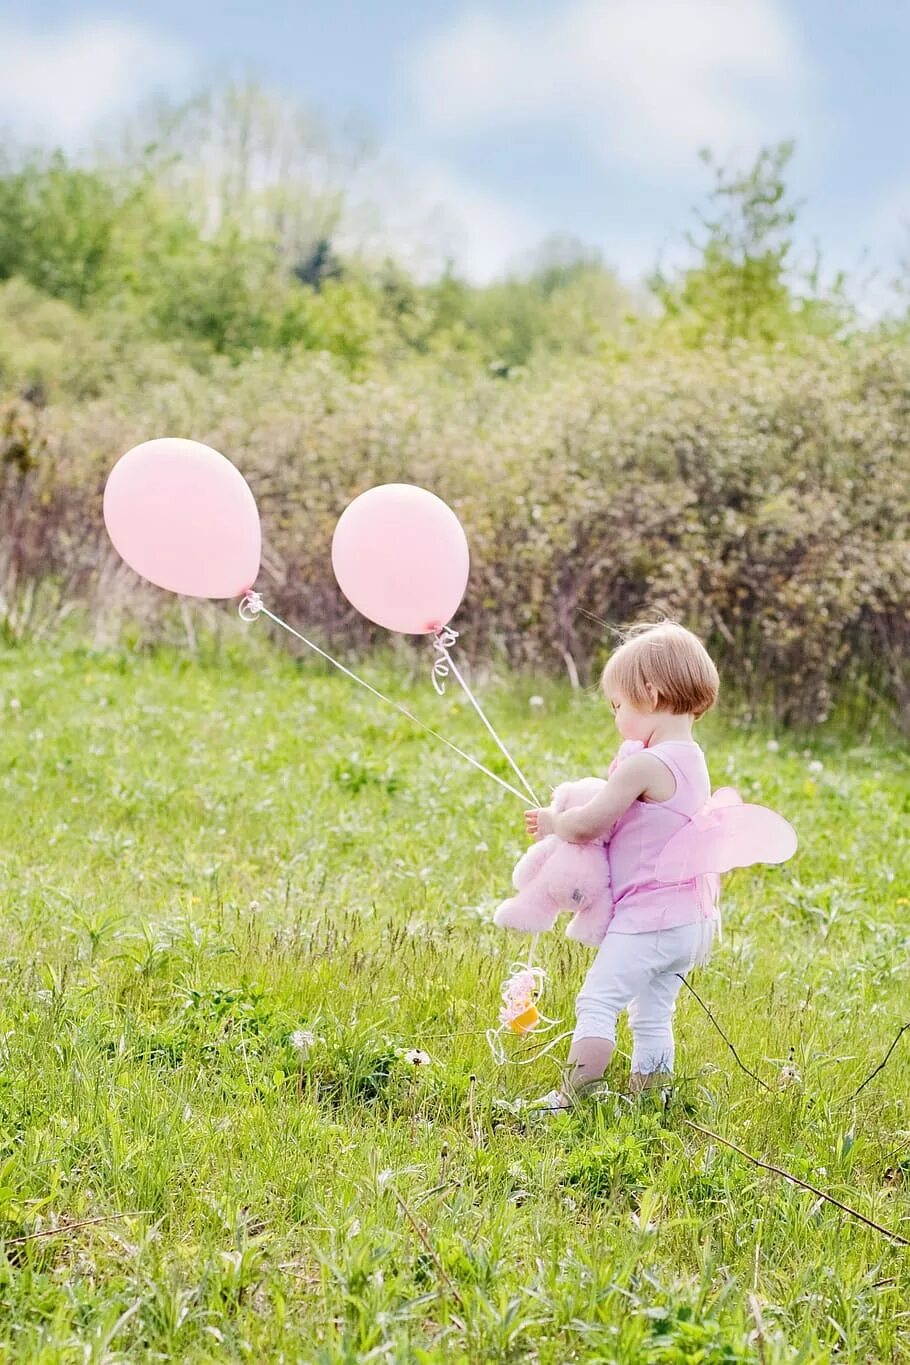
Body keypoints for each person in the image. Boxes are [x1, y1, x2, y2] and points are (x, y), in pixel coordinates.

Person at [524, 621, 720, 1106]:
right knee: (653, 1014)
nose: (615, 716)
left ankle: (571, 1098)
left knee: (598, 1001)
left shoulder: (644, 765)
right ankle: (652, 1101)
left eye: (618, 705)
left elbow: (589, 824)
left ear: (649, 695)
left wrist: (553, 821)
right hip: (690, 921)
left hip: (647, 920)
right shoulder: (692, 758)